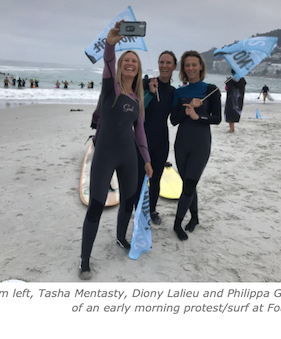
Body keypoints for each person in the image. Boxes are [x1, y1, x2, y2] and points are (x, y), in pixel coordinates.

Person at [79, 23, 152, 276]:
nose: (130, 63)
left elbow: (139, 132)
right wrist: (111, 43)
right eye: (127, 60)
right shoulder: (111, 88)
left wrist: (146, 160)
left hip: (128, 156)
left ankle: (121, 238)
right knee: (96, 206)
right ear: (121, 66)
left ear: (138, 68)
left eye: (135, 61)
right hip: (105, 155)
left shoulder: (137, 99)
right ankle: (84, 260)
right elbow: (108, 61)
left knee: (128, 202)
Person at [170, 51, 221, 241]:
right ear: (183, 69)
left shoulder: (211, 90)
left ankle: (177, 224)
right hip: (182, 144)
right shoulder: (179, 92)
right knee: (188, 183)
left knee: (190, 184)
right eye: (187, 65)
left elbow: (217, 119)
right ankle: (195, 217)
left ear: (200, 67)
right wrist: (187, 110)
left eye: (194, 64)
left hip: (201, 144)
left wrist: (198, 116)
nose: (190, 68)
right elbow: (173, 120)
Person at [136, 51, 177, 222]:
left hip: (161, 141)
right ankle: (139, 210)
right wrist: (150, 90)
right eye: (161, 62)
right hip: (142, 138)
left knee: (156, 179)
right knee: (139, 178)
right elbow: (137, 108)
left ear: (174, 66)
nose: (164, 66)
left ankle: (152, 210)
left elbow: (175, 118)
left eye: (168, 63)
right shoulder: (145, 84)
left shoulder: (173, 92)